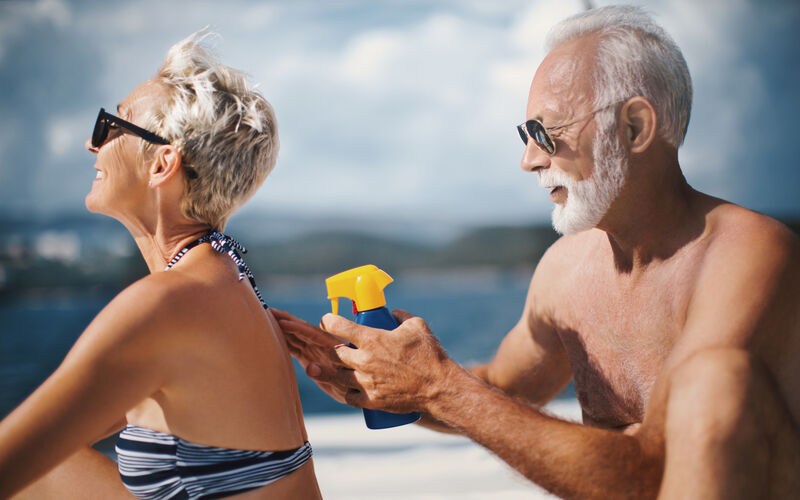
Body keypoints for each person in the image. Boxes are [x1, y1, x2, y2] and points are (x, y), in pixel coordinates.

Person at [276, 6, 800, 499]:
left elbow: (656, 473)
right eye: (526, 135)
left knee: (718, 385)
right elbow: (501, 388)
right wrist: (383, 378)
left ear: (635, 128)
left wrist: (437, 385)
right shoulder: (566, 268)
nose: (529, 160)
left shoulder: (747, 255)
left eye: (545, 132)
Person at [0, 32, 321, 499]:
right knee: (51, 466)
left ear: (161, 165)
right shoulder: (225, 277)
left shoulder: (167, 303)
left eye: (111, 126)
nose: (94, 146)